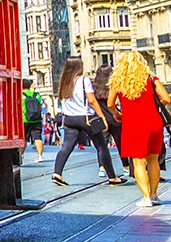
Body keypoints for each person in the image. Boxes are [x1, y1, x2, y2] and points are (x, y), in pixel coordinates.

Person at [109, 51, 170, 208]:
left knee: (138, 162)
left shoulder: (118, 81)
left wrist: (118, 114)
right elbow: (166, 99)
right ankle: (155, 195)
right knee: (153, 160)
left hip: (133, 124)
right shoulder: (151, 79)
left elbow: (110, 104)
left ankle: (146, 198)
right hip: (154, 122)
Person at [52, 57, 124, 186]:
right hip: (87, 118)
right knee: (101, 146)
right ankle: (112, 177)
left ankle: (57, 173)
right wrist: (102, 117)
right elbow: (92, 100)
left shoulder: (64, 82)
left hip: (69, 119)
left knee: (67, 147)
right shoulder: (84, 81)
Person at [93, 66, 130, 178]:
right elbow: (117, 102)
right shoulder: (113, 86)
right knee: (120, 143)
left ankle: (102, 168)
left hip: (98, 118)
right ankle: (126, 167)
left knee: (101, 145)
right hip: (114, 118)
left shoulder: (93, 86)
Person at [22, 81, 47, 163]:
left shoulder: (20, 95)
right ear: (30, 86)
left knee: (24, 139)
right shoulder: (37, 95)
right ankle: (40, 156)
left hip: (25, 119)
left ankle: (21, 156)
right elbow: (43, 107)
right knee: (38, 137)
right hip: (37, 119)